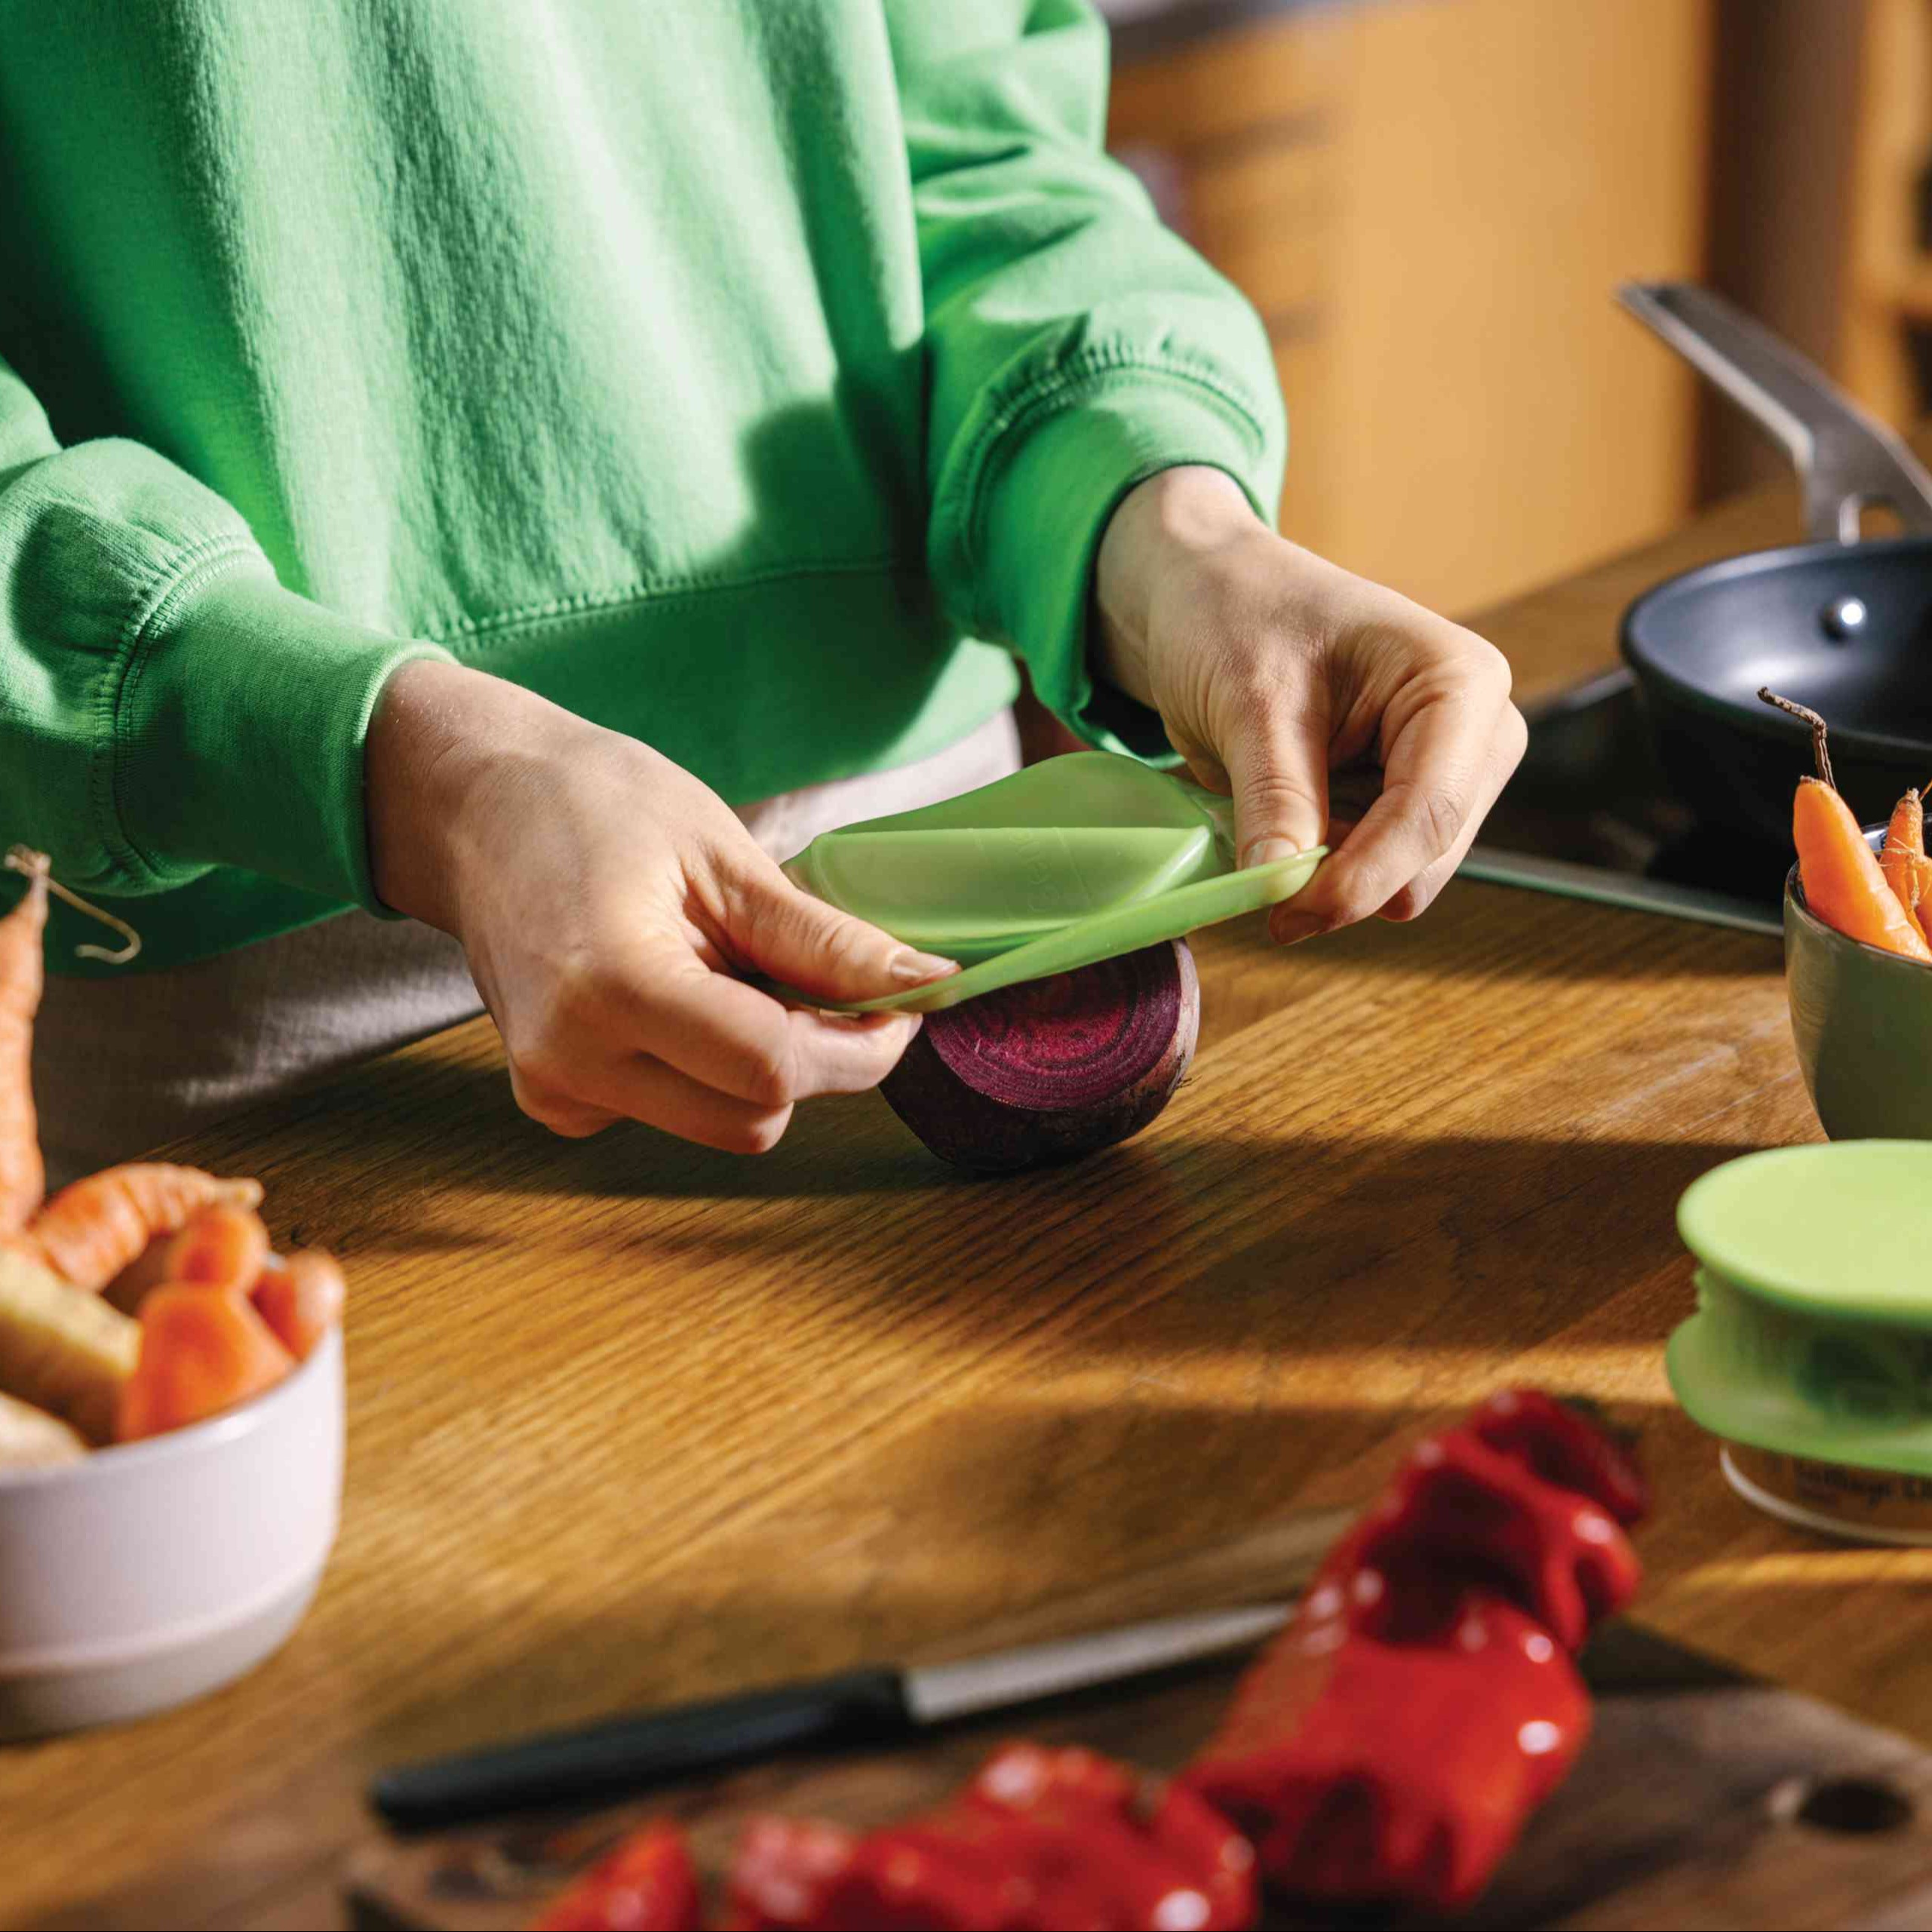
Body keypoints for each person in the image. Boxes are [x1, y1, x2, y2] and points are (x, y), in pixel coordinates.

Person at [0, 2, 1524, 1183]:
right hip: (291, 1034)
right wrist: (414, 774)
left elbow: (964, 146)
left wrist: (1163, 525)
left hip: (948, 898)